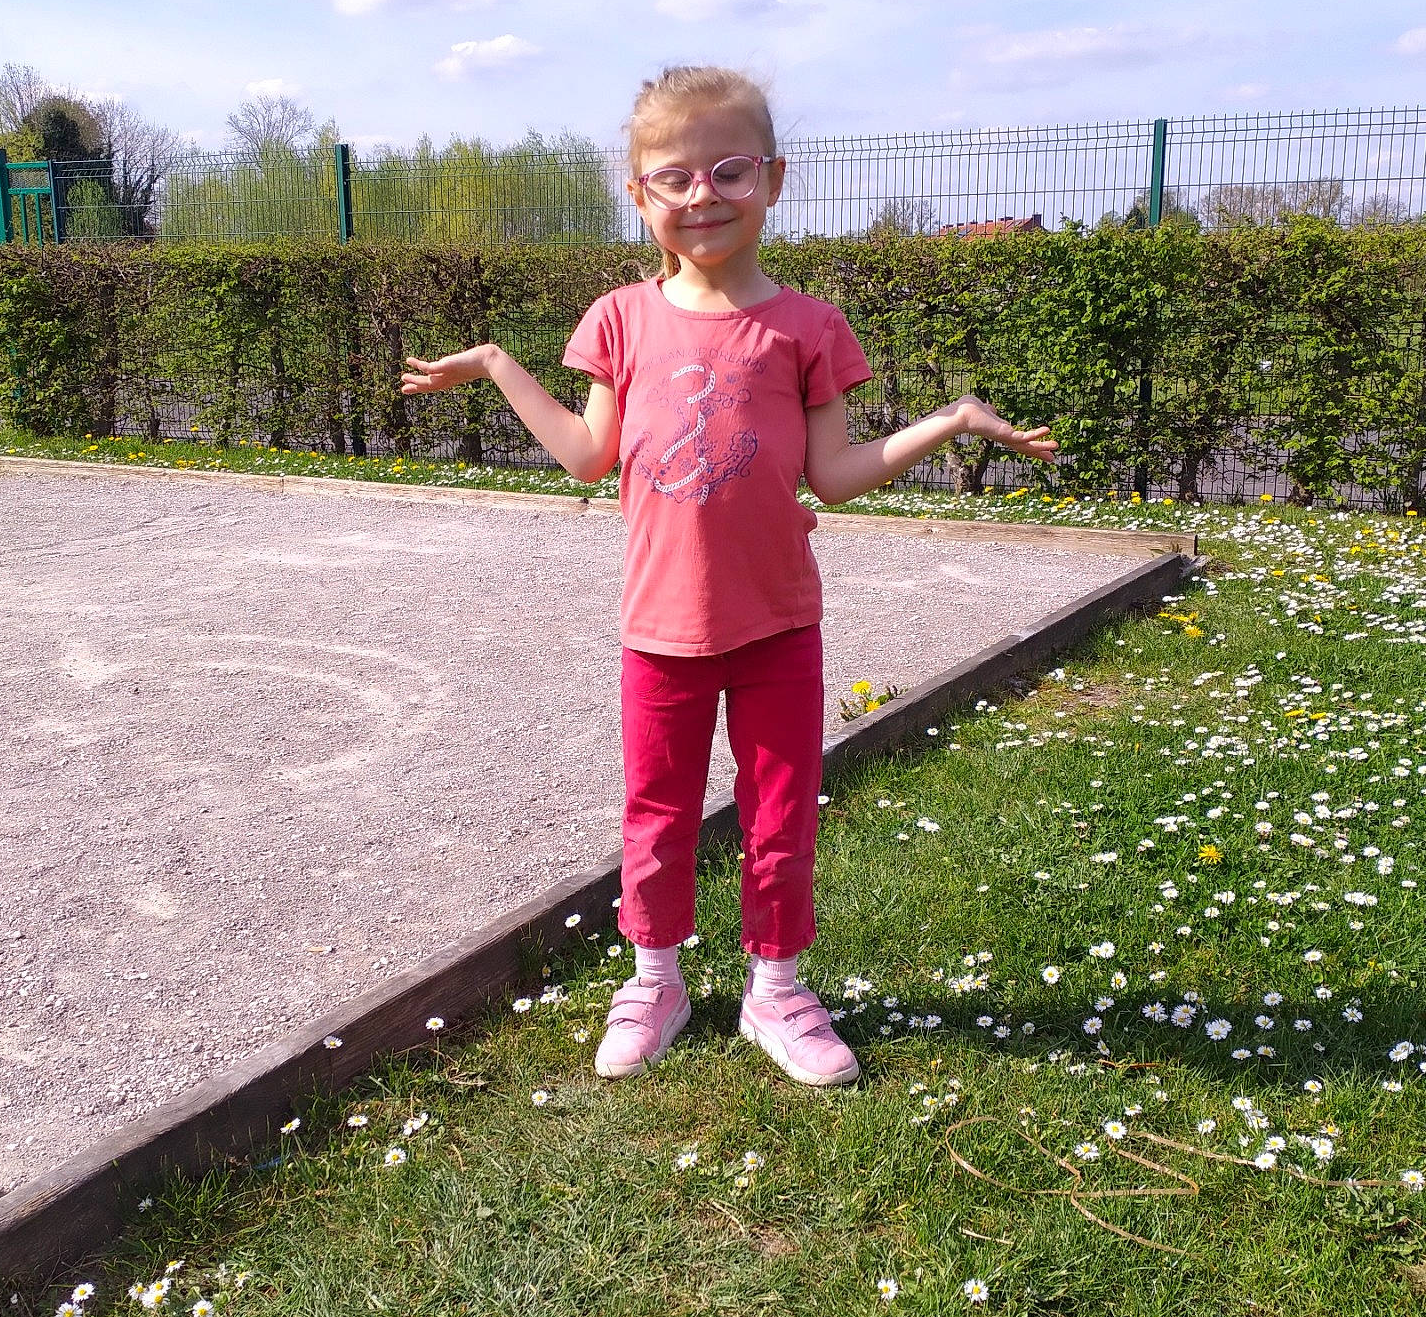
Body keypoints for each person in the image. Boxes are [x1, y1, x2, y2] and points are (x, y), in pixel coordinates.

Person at [401, 65, 1057, 1089]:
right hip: (658, 630)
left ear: (774, 179)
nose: (703, 194)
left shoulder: (808, 327)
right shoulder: (619, 318)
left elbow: (834, 477)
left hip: (778, 629)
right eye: (675, 178)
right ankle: (654, 979)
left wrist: (954, 419)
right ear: (640, 196)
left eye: (729, 170)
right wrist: (495, 361)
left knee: (780, 814)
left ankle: (778, 989)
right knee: (656, 815)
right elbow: (587, 455)